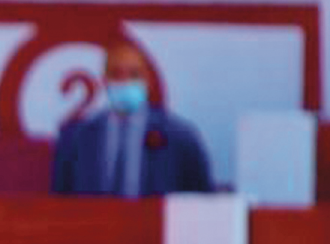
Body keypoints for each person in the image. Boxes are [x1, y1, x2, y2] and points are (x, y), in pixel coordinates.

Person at [51, 39, 213, 195]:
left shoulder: (180, 137)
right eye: (116, 74)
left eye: (134, 74)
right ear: (104, 80)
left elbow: (202, 202)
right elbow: (61, 203)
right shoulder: (77, 138)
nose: (125, 81)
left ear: (147, 81)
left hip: (154, 223)